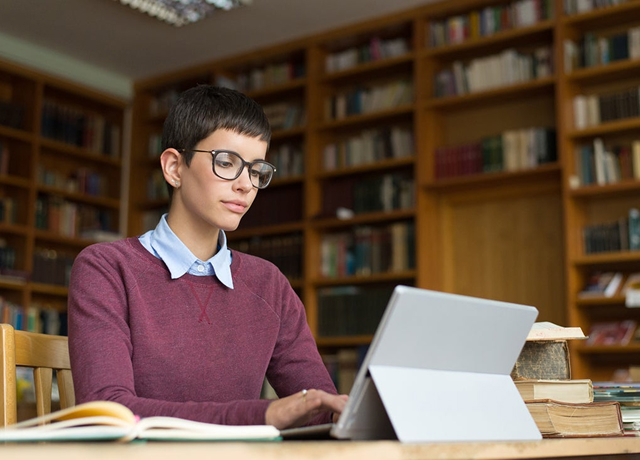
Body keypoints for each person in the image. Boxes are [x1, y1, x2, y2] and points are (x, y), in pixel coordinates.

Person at [68, 85, 347, 429]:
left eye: (256, 170)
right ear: (174, 168)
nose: (246, 184)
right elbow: (106, 411)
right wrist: (261, 415)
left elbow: (318, 410)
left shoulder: (269, 282)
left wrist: (349, 410)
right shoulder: (106, 267)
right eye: (227, 162)